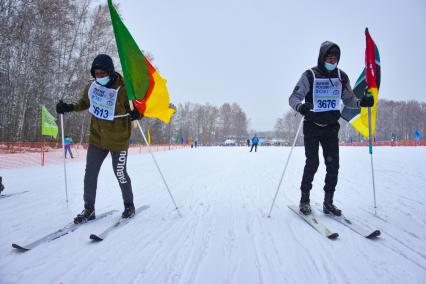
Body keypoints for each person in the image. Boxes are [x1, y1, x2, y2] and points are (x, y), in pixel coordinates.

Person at [289, 41, 374, 216]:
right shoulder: (310, 75)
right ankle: (304, 200)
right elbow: (294, 97)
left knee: (333, 165)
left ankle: (329, 202)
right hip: (312, 125)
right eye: (329, 58)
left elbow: (349, 100)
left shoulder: (341, 77)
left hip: (330, 127)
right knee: (312, 163)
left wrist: (362, 103)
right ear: (322, 57)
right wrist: (301, 107)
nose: (332, 61)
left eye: (335, 59)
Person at [56, 54, 143, 224]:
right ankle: (89, 209)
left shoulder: (124, 90)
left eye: (103, 74)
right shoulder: (92, 87)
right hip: (98, 138)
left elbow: (138, 108)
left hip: (118, 140)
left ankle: (129, 205)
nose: (100, 77)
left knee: (120, 172)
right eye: (97, 74)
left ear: (110, 72)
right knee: (90, 173)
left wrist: (137, 114)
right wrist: (69, 107)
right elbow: (83, 103)